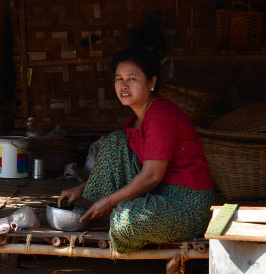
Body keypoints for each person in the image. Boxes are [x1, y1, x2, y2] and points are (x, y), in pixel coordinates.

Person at [57, 47, 215, 253]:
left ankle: (112, 214)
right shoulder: (137, 120)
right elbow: (137, 171)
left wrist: (110, 201)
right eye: (118, 79)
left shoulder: (161, 115)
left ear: (151, 83)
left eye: (132, 78)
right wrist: (80, 189)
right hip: (157, 194)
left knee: (126, 223)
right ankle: (109, 212)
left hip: (186, 203)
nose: (123, 85)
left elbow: (151, 176)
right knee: (116, 141)